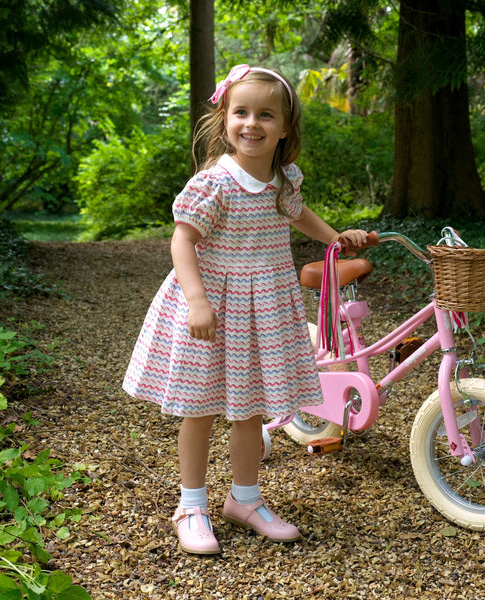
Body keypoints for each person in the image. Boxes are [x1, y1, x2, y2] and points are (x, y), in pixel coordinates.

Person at [123, 64, 369, 555]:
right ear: (225, 119)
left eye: (265, 115)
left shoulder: (282, 180)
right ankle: (191, 505)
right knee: (200, 410)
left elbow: (295, 213)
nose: (251, 123)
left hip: (263, 309)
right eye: (241, 112)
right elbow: (183, 241)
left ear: (284, 127)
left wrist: (335, 237)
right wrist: (196, 300)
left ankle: (245, 499)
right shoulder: (216, 183)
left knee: (250, 409)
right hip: (211, 309)